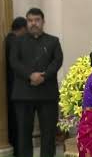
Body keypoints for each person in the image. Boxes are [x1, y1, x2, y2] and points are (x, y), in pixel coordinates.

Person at [9, 8, 63, 157]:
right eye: (30, 20)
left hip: (47, 94)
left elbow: (57, 61)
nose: (34, 23)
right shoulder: (18, 41)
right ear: (27, 22)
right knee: (23, 134)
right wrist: (30, 76)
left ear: (43, 21)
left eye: (37, 20)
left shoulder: (53, 41)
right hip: (23, 94)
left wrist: (44, 76)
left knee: (48, 134)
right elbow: (14, 61)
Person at [5, 16, 27, 157]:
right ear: (23, 29)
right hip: (16, 88)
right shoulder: (14, 42)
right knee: (18, 124)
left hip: (10, 88)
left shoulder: (8, 40)